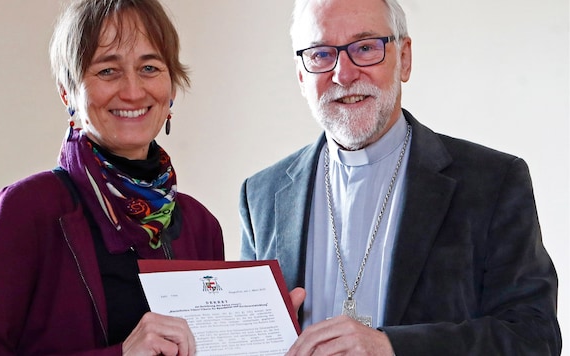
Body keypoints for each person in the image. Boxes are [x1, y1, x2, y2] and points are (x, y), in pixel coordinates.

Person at [239, 0, 562, 354]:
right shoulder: (261, 196)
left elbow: (534, 337)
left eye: (365, 48)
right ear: (302, 75)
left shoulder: (493, 181)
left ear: (404, 58)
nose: (343, 75)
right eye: (321, 55)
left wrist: (391, 347)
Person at [0, 0, 224, 354]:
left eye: (149, 67)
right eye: (108, 71)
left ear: (171, 90)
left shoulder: (202, 226)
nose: (133, 91)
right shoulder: (25, 211)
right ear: (68, 92)